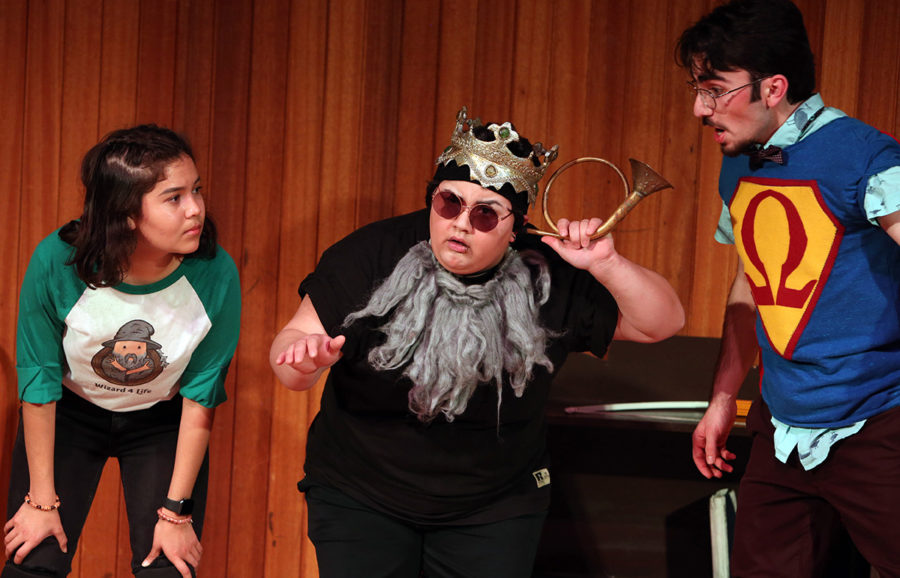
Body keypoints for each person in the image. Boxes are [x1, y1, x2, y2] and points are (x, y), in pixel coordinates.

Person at [269, 106, 684, 577]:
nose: (461, 223)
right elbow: (291, 350)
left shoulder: (547, 274)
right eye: (449, 203)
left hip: (495, 505)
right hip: (361, 492)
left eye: (485, 214)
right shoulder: (371, 253)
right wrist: (303, 363)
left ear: (515, 228)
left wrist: (606, 264)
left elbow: (661, 323)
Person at [676, 0, 900, 576]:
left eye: (714, 89)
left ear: (773, 87)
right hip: (781, 428)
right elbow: (755, 278)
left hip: (875, 420)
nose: (700, 108)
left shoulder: (867, 158)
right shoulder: (739, 163)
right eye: (696, 88)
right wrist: (725, 394)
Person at [3, 125, 241, 578]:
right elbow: (38, 377)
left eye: (196, 190)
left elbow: (202, 393)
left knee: (168, 567)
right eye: (173, 198)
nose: (195, 209)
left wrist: (176, 514)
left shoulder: (215, 273)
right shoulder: (59, 261)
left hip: (161, 422)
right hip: (69, 414)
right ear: (127, 214)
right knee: (33, 560)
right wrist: (40, 501)